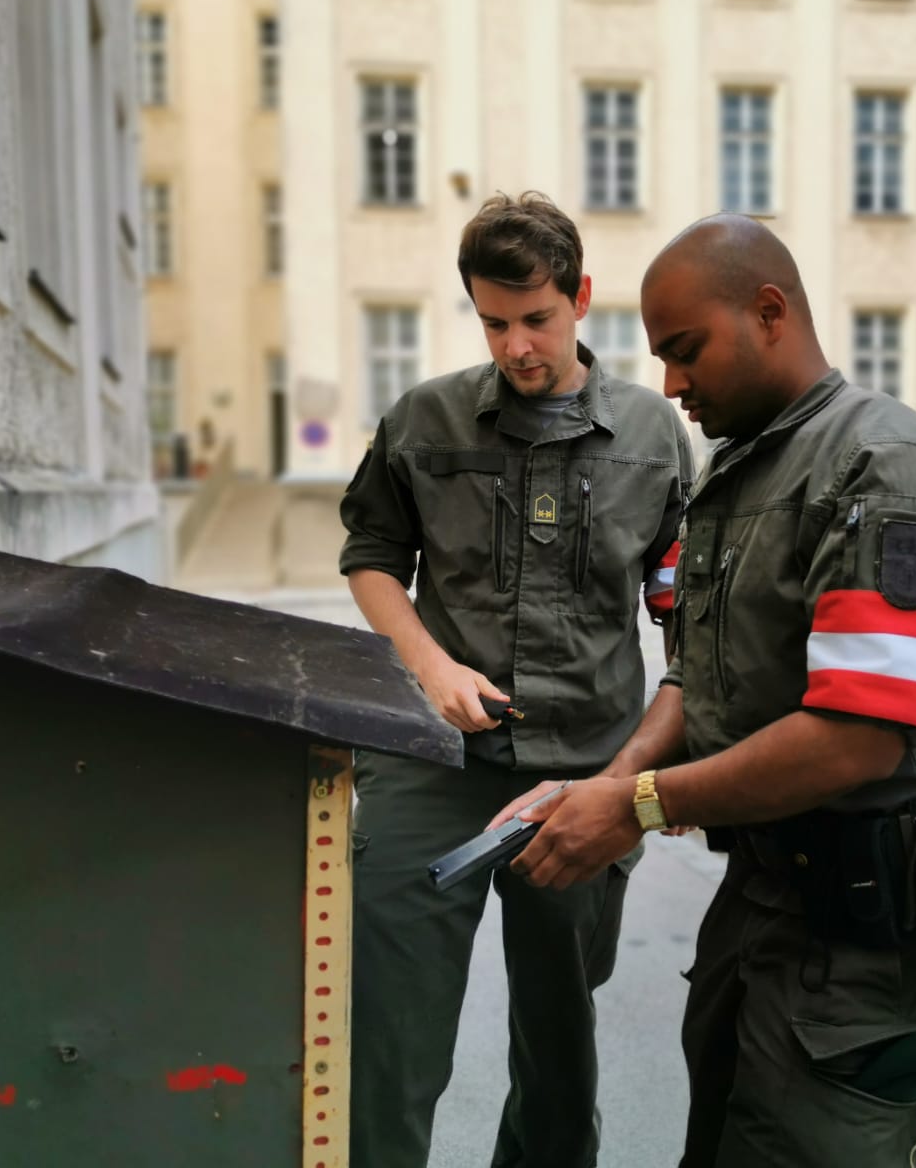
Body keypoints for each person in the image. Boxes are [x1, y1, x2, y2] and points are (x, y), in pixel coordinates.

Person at [489, 214, 916, 1166]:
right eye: (662, 358)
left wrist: (635, 806)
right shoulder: (742, 468)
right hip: (761, 903)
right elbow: (699, 670)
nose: (671, 384)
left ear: (769, 312)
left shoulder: (890, 468)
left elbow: (862, 735)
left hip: (859, 942)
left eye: (686, 351)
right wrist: (611, 783)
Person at [338, 191, 692, 1168]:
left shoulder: (654, 436)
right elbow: (371, 556)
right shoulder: (425, 419)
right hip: (434, 765)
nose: (517, 346)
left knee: (558, 1041)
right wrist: (431, 666)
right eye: (494, 323)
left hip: (586, 772)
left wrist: (660, 770)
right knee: (388, 1033)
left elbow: (685, 613)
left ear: (580, 298)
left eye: (536, 319)